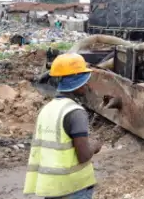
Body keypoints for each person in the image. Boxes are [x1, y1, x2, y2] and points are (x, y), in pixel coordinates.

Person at [23, 53, 103, 199]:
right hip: (73, 188)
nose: (87, 84)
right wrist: (95, 146)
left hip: (51, 187)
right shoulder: (75, 113)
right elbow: (83, 156)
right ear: (76, 82)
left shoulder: (46, 110)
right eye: (84, 80)